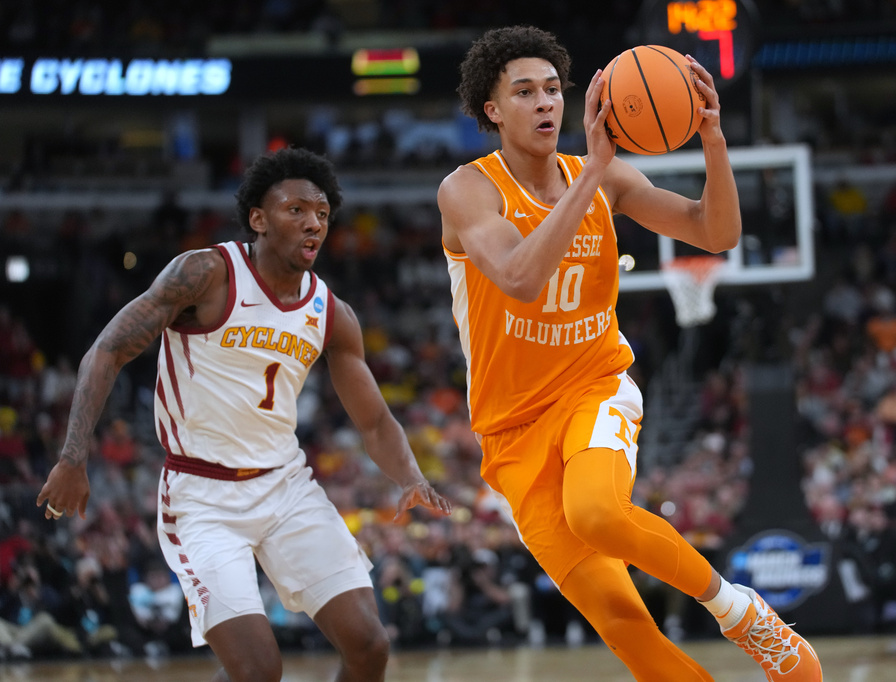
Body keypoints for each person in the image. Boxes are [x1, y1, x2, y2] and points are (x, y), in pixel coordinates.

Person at [437, 26, 821, 682]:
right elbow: (521, 280)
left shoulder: (606, 176)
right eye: (524, 92)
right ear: (492, 109)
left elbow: (716, 232)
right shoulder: (469, 190)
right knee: (620, 621)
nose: (544, 102)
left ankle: (741, 612)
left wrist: (712, 140)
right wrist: (591, 172)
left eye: (553, 89)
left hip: (594, 385)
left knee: (597, 513)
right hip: (511, 429)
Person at [37, 147, 452, 682]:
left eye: (322, 214)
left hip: (286, 485)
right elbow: (107, 350)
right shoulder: (205, 274)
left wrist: (411, 476)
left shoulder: (331, 312)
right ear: (258, 219)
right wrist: (73, 457)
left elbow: (373, 421)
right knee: (257, 670)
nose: (313, 223)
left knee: (370, 645)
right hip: (201, 496)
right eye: (296, 210)